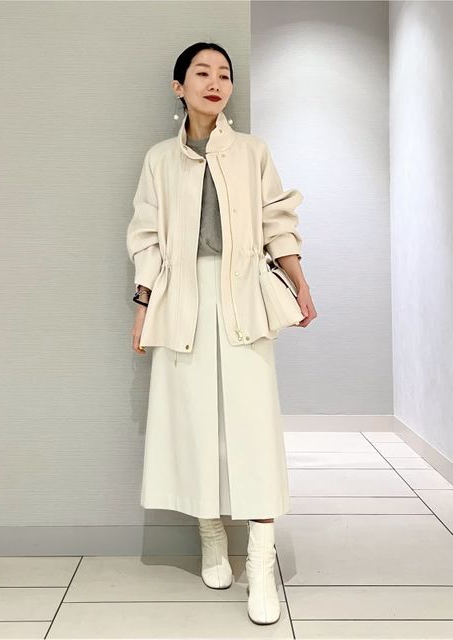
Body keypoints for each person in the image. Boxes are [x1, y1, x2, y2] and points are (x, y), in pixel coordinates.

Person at [127, 42, 317, 626]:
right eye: (202, 73)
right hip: (181, 300)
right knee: (194, 423)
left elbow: (277, 222)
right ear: (179, 86)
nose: (215, 82)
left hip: (244, 299)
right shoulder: (160, 159)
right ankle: (211, 534)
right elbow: (147, 238)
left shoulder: (252, 152)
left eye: (224, 74)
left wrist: (300, 283)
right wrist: (142, 308)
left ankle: (260, 562)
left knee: (253, 428)